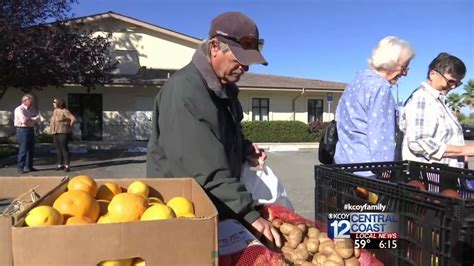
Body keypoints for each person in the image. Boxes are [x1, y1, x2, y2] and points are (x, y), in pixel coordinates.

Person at [146, 12, 281, 248]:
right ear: (215, 47)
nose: (246, 67)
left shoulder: (223, 88)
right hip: (182, 213)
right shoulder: (186, 91)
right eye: (239, 58)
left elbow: (220, 137)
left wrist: (245, 149)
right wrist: (250, 215)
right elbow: (204, 169)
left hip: (216, 206)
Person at [334, 36, 415, 165]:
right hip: (368, 168)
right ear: (390, 62)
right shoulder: (380, 87)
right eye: (404, 68)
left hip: (344, 161)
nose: (404, 74)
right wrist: (385, 168)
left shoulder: (355, 83)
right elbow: (381, 134)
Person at [400, 52, 473, 168]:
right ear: (432, 74)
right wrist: (464, 150)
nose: (453, 87)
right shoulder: (422, 99)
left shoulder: (439, 101)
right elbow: (418, 141)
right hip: (429, 177)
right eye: (450, 81)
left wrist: (461, 156)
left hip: (445, 177)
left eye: (457, 83)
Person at [14, 94, 40, 173]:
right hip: (22, 130)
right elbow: (23, 120)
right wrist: (33, 118)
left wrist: (30, 118)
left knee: (31, 149)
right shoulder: (19, 109)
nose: (31, 102)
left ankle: (29, 166)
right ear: (24, 101)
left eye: (31, 101)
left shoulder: (32, 109)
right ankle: (20, 167)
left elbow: (38, 119)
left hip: (31, 129)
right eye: (30, 100)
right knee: (23, 149)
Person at [49, 98, 76, 172]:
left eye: (54, 102)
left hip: (63, 132)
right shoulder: (55, 111)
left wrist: (69, 126)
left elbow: (73, 118)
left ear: (59, 103)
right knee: (58, 149)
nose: (53, 103)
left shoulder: (64, 111)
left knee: (64, 148)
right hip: (55, 132)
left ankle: (67, 165)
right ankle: (60, 165)